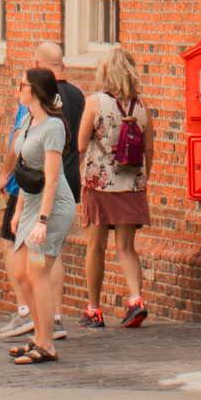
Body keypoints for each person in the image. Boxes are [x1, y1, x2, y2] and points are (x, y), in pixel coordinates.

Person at [2, 41, 89, 338]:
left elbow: (50, 177)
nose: (18, 89)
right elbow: (27, 169)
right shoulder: (27, 120)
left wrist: (41, 219)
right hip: (31, 200)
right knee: (22, 272)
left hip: (52, 204)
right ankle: (39, 328)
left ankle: (45, 339)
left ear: (36, 90)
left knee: (38, 272)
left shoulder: (52, 127)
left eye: (23, 85)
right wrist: (18, 211)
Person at [75, 45, 155, 329]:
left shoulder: (94, 102)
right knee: (126, 248)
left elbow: (82, 145)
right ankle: (136, 301)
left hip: (99, 184)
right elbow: (148, 149)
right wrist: (141, 179)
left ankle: (94, 310)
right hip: (132, 183)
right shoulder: (142, 106)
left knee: (95, 246)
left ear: (105, 72)